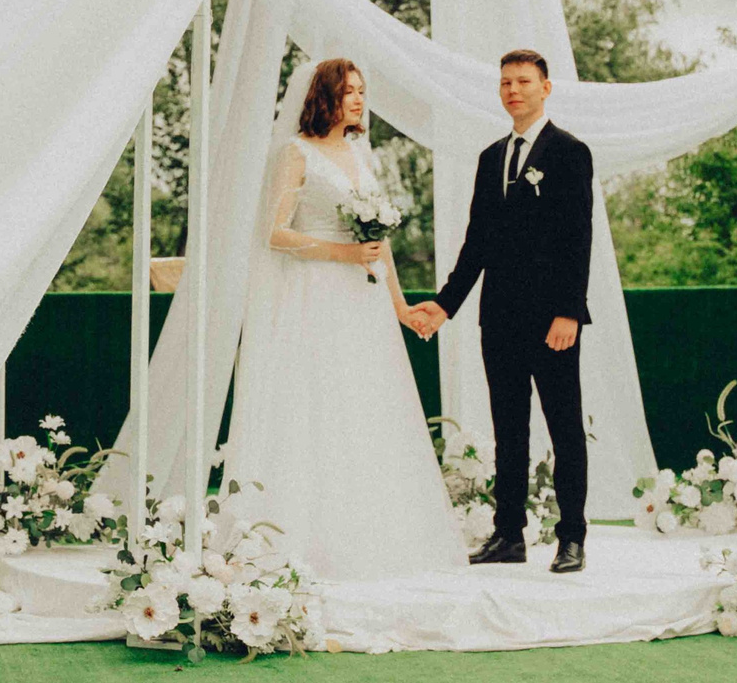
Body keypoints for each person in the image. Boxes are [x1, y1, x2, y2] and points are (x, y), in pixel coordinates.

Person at [217, 58, 468, 582]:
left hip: (365, 301)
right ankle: (308, 538)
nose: (358, 99)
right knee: (320, 407)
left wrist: (399, 306)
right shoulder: (296, 153)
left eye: (361, 91)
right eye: (348, 91)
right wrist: (340, 254)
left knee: (368, 406)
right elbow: (274, 234)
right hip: (316, 295)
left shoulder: (360, 151)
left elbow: (380, 246)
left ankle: (373, 536)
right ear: (323, 96)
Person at [404, 49, 594, 573]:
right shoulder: (491, 158)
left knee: (564, 427)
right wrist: (445, 305)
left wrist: (569, 312)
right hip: (500, 318)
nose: (513, 90)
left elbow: (578, 239)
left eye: (524, 81)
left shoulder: (569, 152)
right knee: (509, 429)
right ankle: (508, 534)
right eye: (506, 82)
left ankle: (572, 538)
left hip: (553, 320)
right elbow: (477, 243)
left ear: (545, 88)